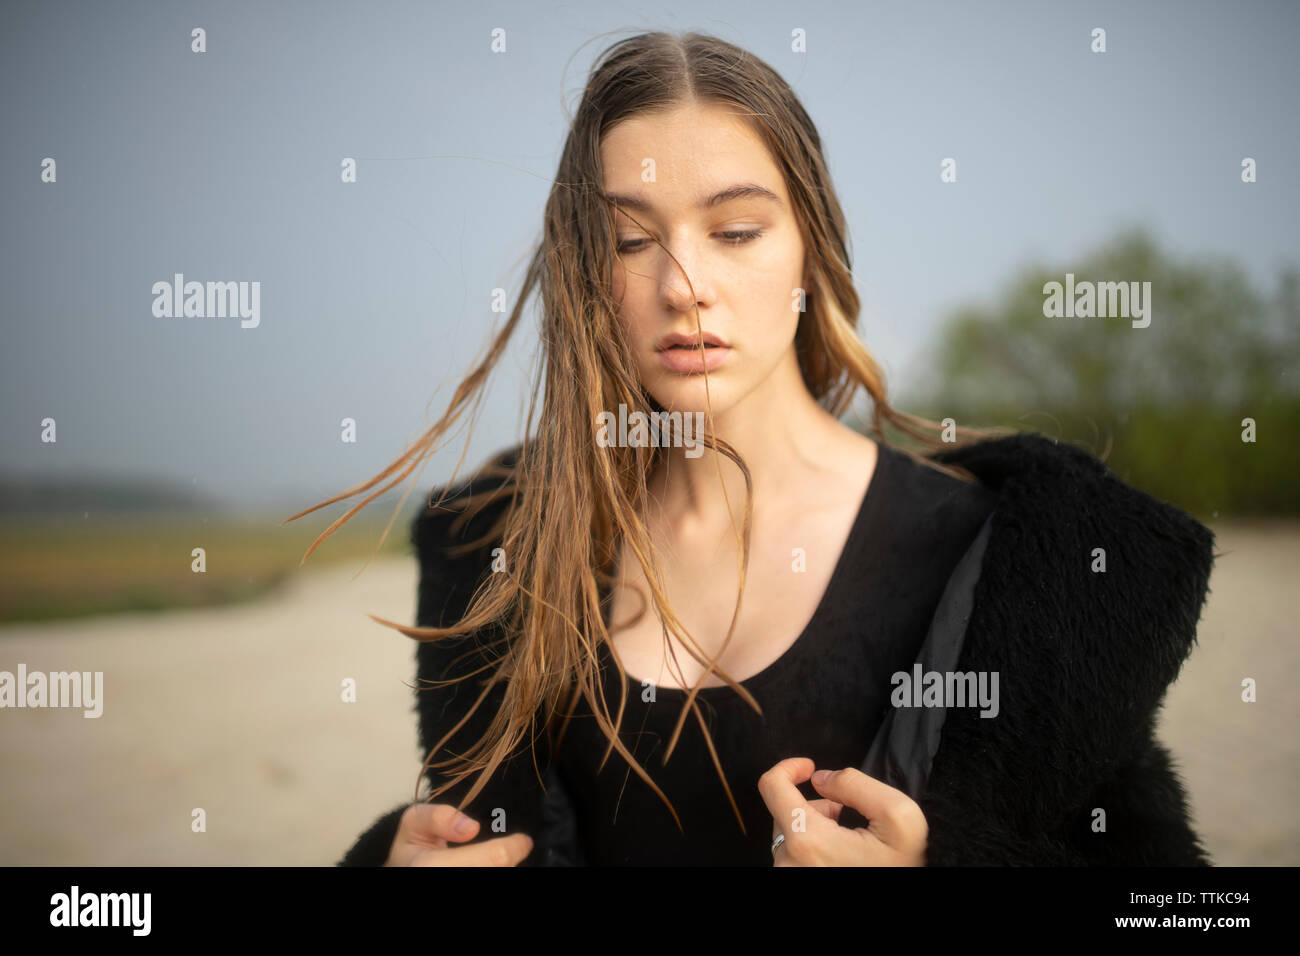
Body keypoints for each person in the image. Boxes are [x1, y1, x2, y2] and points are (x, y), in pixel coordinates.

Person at [295, 31, 1215, 867]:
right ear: (584, 272)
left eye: (736, 231)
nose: (683, 285)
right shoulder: (500, 544)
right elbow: (476, 825)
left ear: (810, 249)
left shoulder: (1004, 557)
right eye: (628, 239)